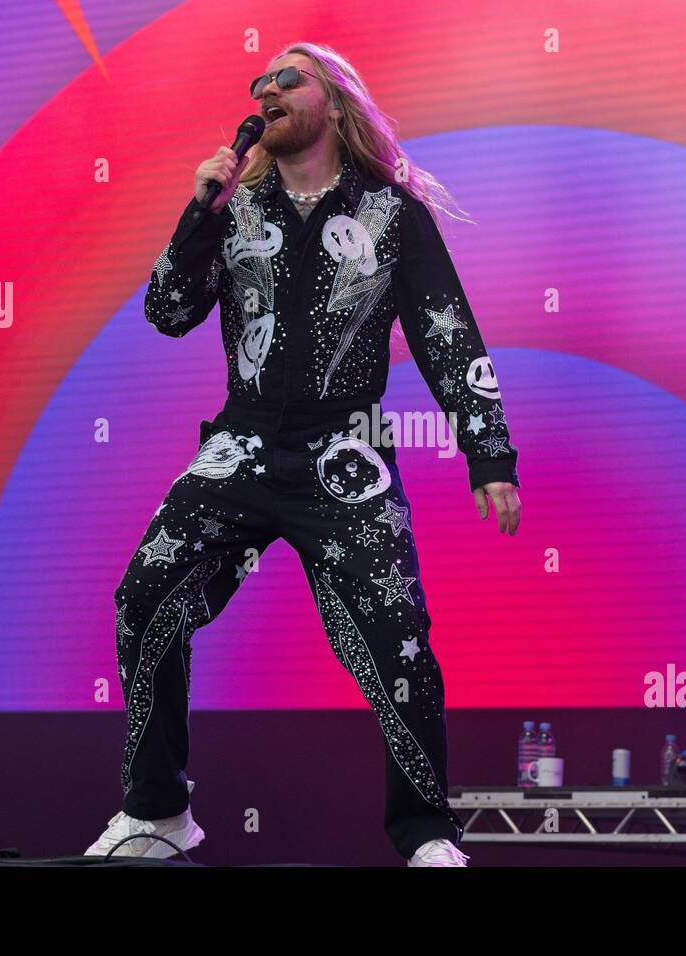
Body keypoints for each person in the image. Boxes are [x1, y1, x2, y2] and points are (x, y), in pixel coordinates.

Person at [85, 43, 521, 866]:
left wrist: (488, 453)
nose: (266, 89)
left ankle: (426, 831)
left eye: (287, 78)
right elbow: (167, 311)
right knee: (143, 596)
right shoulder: (236, 211)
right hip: (240, 448)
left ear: (335, 102)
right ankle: (158, 812)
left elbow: (447, 333)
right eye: (259, 82)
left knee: (397, 634)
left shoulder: (393, 215)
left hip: (344, 455)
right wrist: (199, 211)